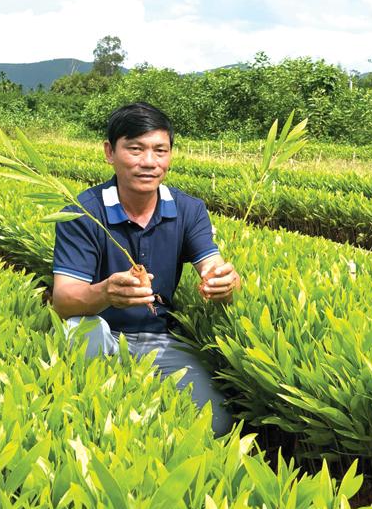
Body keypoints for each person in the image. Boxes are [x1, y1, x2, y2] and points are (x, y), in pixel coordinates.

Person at [51, 102, 240, 436]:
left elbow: (212, 265)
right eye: (135, 149)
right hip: (101, 333)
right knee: (93, 409)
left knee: (217, 424)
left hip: (161, 339)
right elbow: (64, 301)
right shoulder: (82, 213)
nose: (149, 162)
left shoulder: (188, 209)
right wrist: (106, 292)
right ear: (110, 152)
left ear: (170, 155)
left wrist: (226, 283)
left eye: (160, 150)